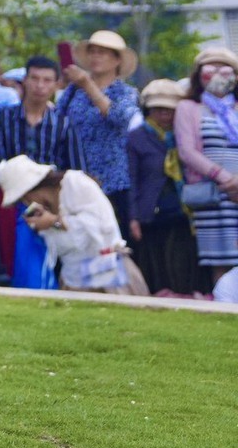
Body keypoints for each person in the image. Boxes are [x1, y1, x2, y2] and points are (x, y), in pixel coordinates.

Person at [0, 56, 84, 289]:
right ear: (25, 81)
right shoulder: (5, 115)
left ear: (56, 85)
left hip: (50, 197)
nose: (40, 86)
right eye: (35, 79)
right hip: (9, 194)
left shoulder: (63, 122)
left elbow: (74, 167)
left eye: (47, 80)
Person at [0, 156, 140, 294]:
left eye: (24, 198)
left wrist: (54, 221)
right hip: (73, 281)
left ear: (32, 189)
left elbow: (98, 226)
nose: (26, 204)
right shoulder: (43, 213)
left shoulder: (75, 183)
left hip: (109, 275)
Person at [62, 30, 144, 232]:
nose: (96, 56)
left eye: (103, 52)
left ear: (117, 60)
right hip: (79, 179)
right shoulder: (73, 91)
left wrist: (88, 85)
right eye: (93, 52)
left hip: (115, 181)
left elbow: (121, 118)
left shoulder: (126, 92)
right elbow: (59, 120)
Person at [124, 79, 197, 296]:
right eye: (158, 109)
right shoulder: (137, 137)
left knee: (182, 261)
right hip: (151, 213)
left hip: (184, 211)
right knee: (154, 263)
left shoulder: (186, 136)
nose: (164, 115)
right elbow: (132, 179)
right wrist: (133, 217)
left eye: (169, 110)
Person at [175, 45, 238, 292]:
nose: (220, 75)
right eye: (211, 68)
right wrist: (225, 179)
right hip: (212, 194)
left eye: (226, 69)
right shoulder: (188, 108)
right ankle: (225, 306)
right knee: (220, 258)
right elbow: (187, 151)